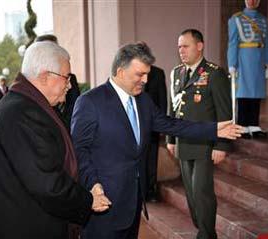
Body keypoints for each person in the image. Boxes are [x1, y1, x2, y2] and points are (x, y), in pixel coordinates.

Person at [71, 43, 242, 239]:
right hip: (104, 203)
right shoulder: (90, 102)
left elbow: (172, 125)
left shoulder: (143, 100)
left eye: (147, 74)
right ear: (120, 71)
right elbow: (79, 150)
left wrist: (213, 129)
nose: (145, 80)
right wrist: (93, 185)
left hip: (134, 202)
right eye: (139, 74)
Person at [0, 41, 111, 239]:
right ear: (45, 76)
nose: (69, 85)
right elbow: (47, 183)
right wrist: (88, 200)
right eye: (66, 77)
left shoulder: (24, 104)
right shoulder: (21, 114)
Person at [166, 29, 232, 239]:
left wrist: (221, 145)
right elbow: (173, 108)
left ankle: (206, 234)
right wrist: (170, 138)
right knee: (192, 195)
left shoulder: (214, 73)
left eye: (185, 46)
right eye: (179, 47)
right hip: (184, 142)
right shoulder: (177, 73)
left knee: (202, 193)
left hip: (205, 144)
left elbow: (224, 112)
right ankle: (202, 228)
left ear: (200, 46)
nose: (181, 51)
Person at [227, 0, 268, 139]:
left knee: (256, 92)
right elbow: (233, 42)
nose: (252, 1)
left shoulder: (263, 20)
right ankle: (243, 126)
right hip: (243, 60)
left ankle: (253, 125)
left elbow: (267, 43)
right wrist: (232, 64)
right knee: (243, 92)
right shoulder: (236, 19)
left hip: (258, 60)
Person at [35, 34, 81, 130]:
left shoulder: (71, 78)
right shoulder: (33, 84)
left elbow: (76, 104)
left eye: (56, 48)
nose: (69, 86)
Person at [144, 64, 167, 202]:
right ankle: (141, 191)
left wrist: (162, 123)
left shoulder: (158, 72)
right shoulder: (130, 71)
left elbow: (162, 99)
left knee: (152, 158)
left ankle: (151, 190)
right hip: (134, 124)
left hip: (153, 125)